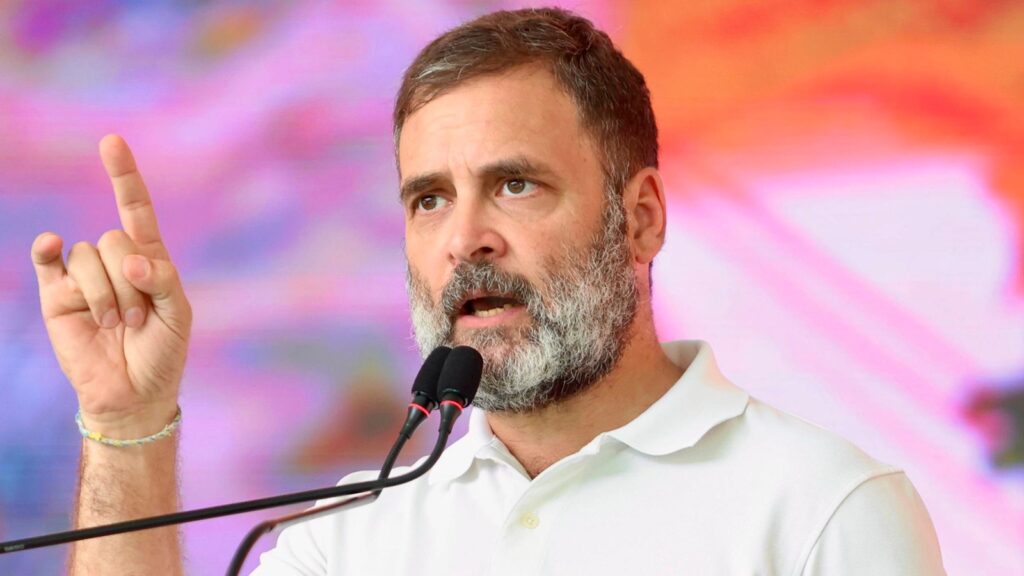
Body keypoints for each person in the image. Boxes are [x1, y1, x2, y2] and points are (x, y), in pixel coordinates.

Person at [29, 7, 945, 575]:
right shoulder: (349, 539)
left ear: (643, 219)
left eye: (515, 184)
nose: (465, 239)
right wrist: (125, 422)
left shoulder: (827, 508)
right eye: (429, 199)